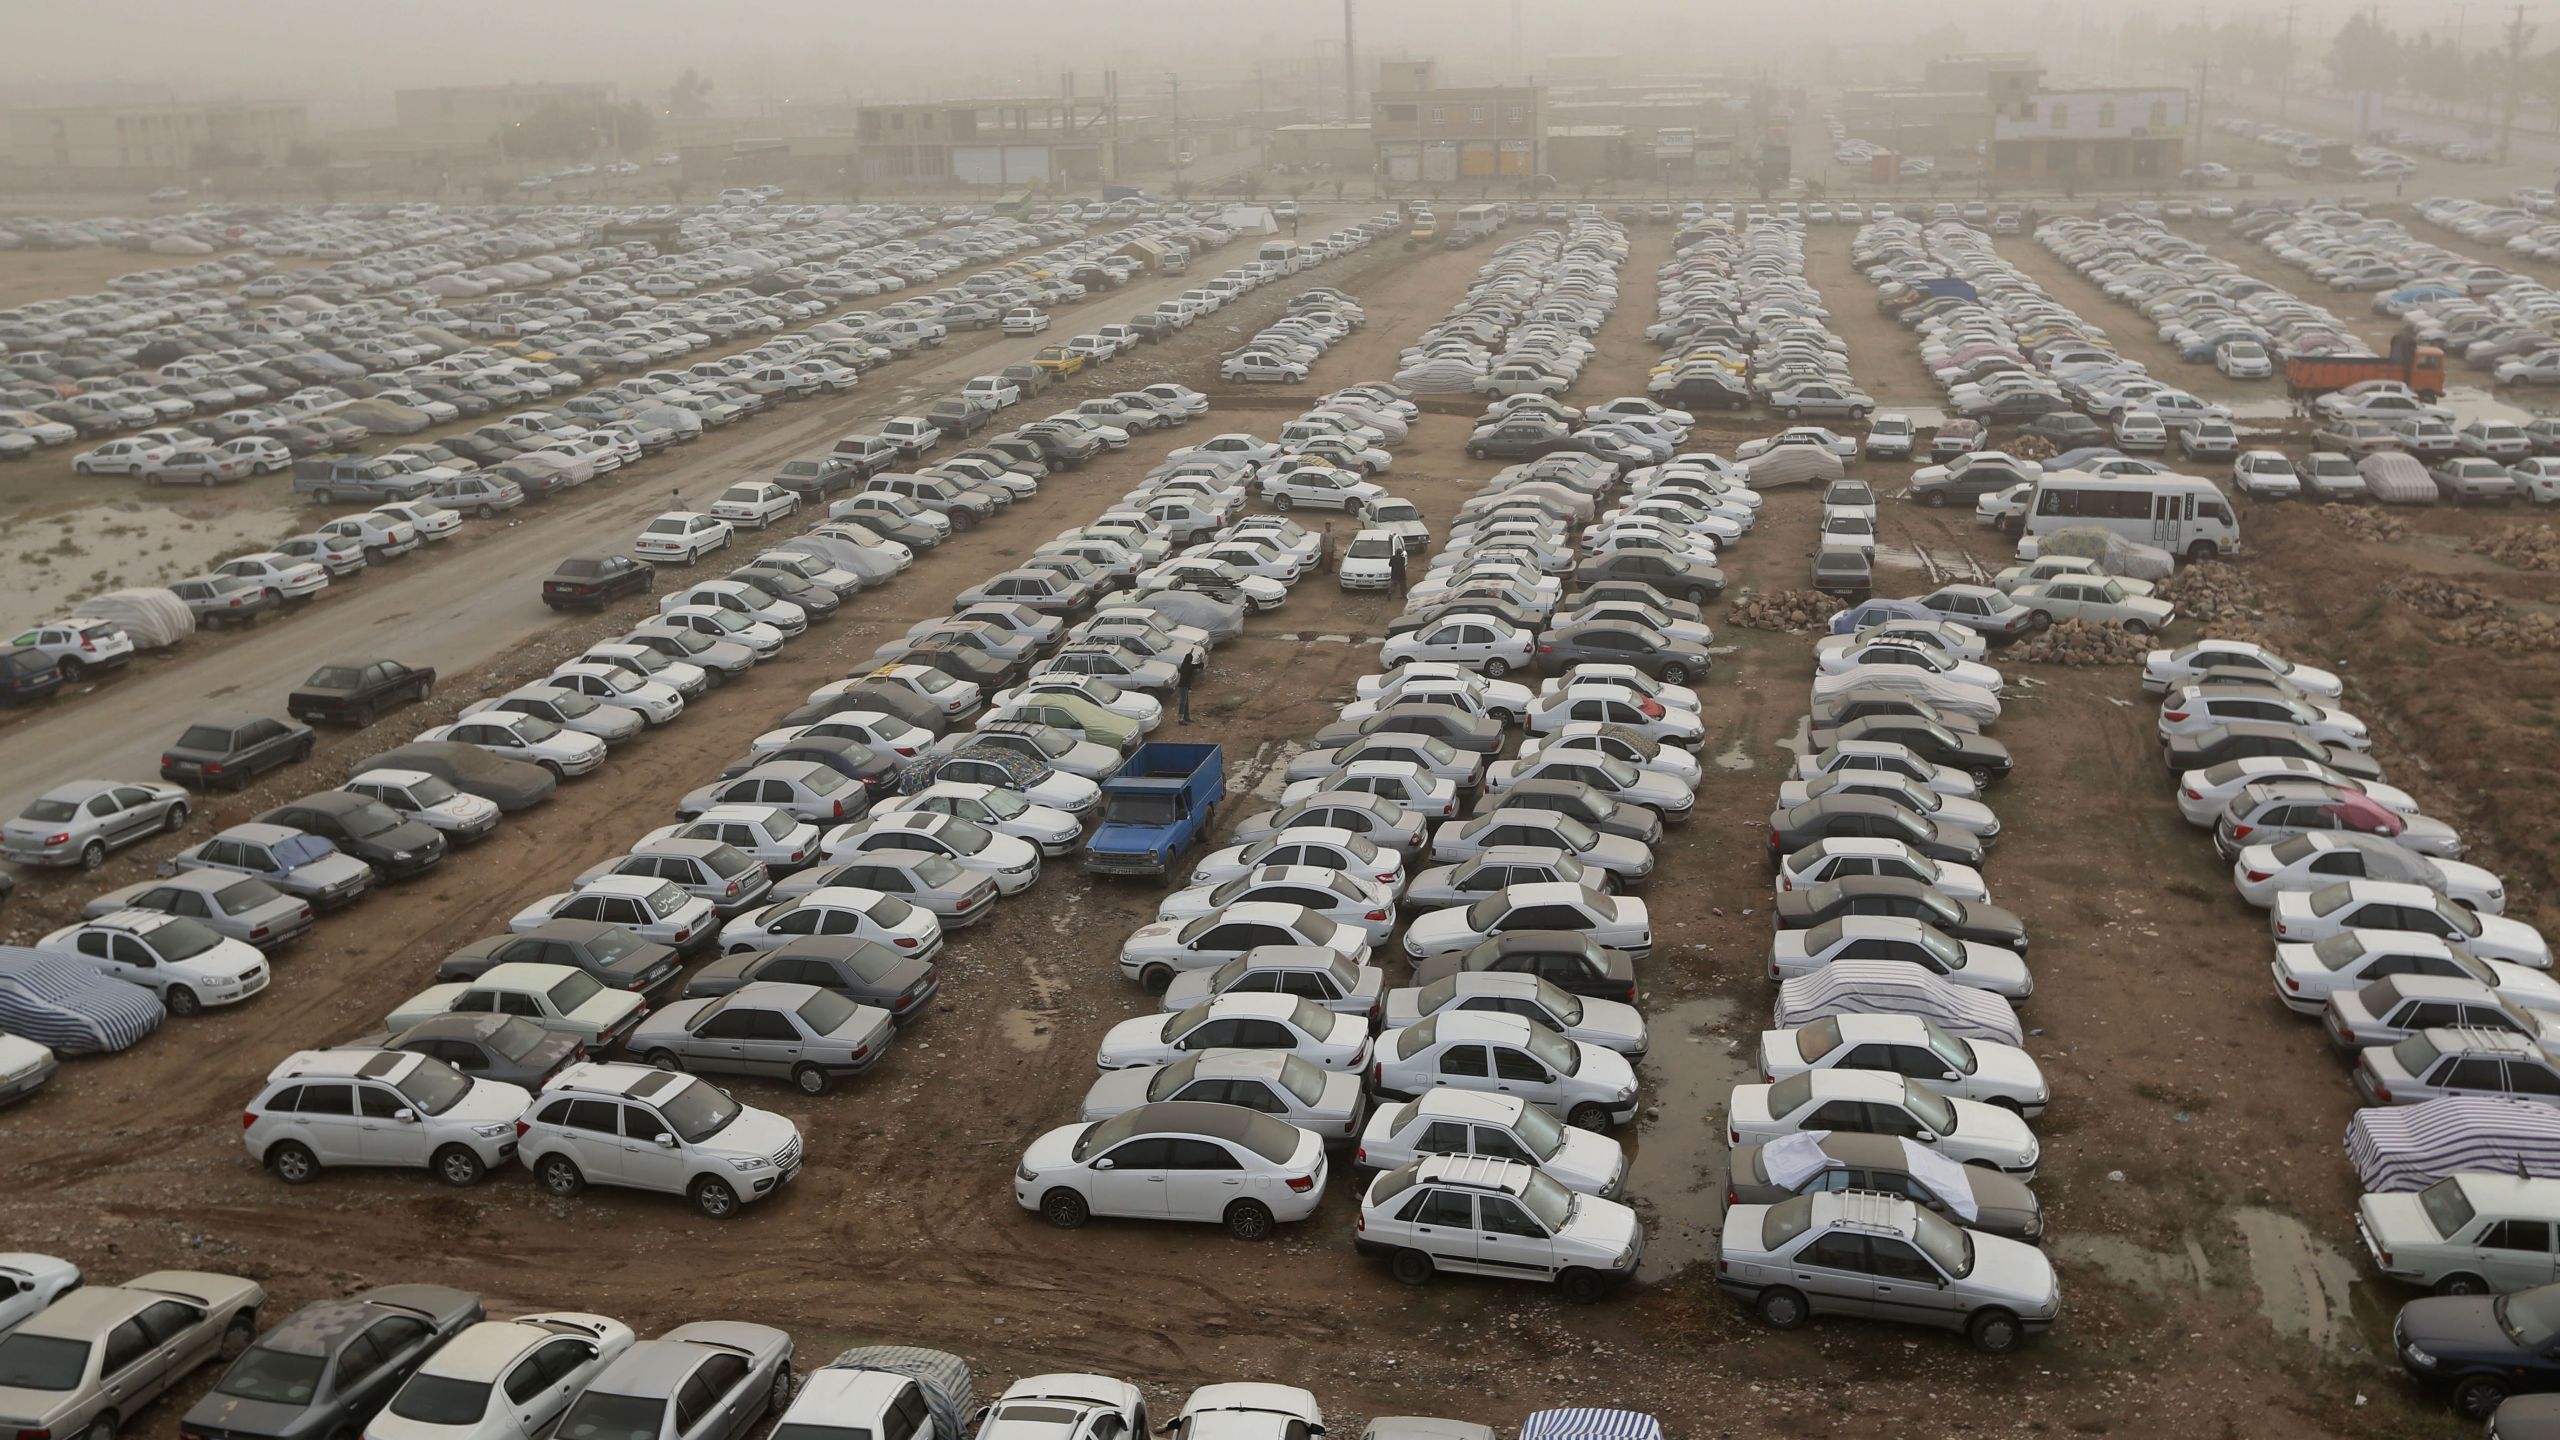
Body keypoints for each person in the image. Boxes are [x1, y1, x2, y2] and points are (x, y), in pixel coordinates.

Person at [1176, 650, 1202, 724]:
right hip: (1184, 686)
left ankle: (1186, 717)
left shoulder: (1184, 664)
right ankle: (1181, 719)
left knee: (1185, 702)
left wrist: (1190, 652)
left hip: (1183, 686)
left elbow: (1187, 658)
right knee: (1183, 702)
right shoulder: (1190, 666)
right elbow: (1201, 665)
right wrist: (1201, 658)